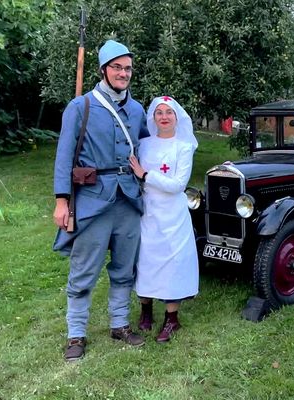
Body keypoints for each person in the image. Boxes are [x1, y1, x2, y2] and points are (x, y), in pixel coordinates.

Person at [52, 40, 149, 361]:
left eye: (128, 68)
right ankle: (75, 334)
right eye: (117, 67)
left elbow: (149, 149)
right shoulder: (81, 106)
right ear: (103, 70)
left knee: (124, 268)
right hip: (93, 200)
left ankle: (119, 325)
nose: (124, 73)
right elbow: (64, 156)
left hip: (129, 200)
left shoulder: (136, 110)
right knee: (84, 270)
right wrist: (62, 201)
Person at [129, 95, 199, 343]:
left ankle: (172, 319)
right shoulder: (144, 144)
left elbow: (178, 185)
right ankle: (145, 310)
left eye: (169, 112)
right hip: (148, 212)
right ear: (153, 117)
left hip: (173, 215)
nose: (164, 117)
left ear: (176, 117)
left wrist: (146, 174)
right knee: (146, 260)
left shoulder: (184, 147)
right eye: (159, 112)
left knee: (172, 263)